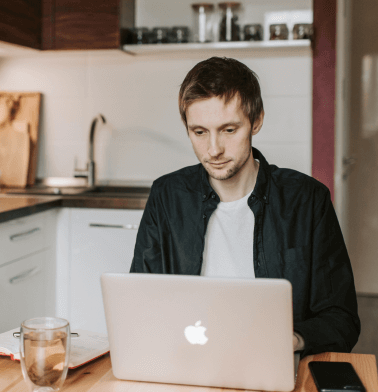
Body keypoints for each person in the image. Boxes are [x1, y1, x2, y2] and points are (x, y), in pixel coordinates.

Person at [129, 57, 360, 357]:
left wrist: (289, 340)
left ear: (257, 120)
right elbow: (139, 303)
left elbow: (342, 320)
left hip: (271, 364)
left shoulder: (307, 200)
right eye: (199, 132)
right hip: (185, 362)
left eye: (228, 130)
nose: (214, 150)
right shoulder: (166, 196)